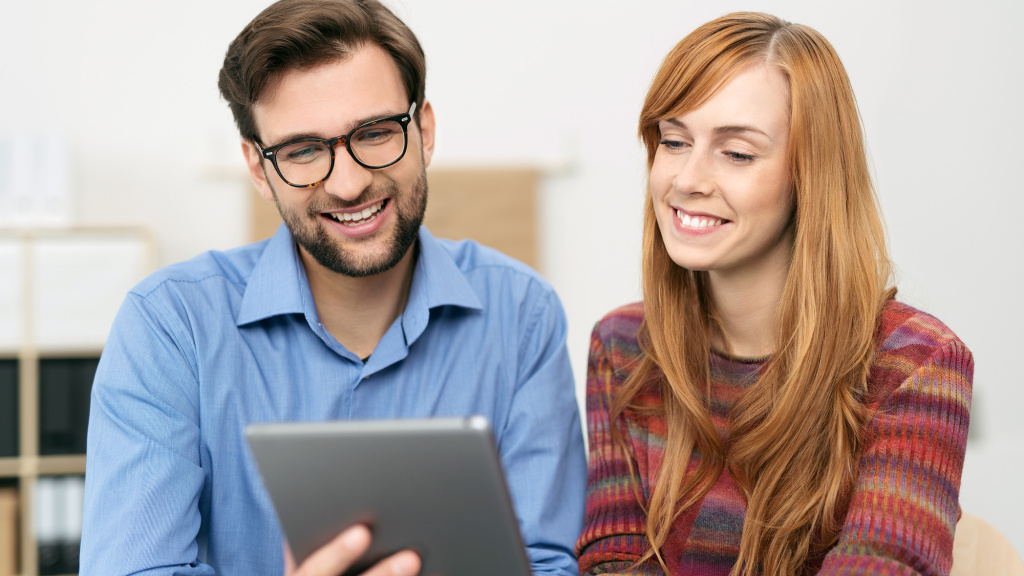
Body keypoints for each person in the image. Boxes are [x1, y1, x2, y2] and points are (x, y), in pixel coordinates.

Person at [80, 1, 586, 574]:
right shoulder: (171, 325)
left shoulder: (522, 313)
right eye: (301, 151)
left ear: (424, 130)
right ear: (258, 169)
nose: (348, 184)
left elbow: (546, 563)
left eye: (374, 133)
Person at [576, 12, 972, 576]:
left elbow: (881, 565)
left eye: (737, 153)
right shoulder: (621, 348)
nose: (687, 179)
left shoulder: (918, 362)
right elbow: (611, 562)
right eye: (673, 141)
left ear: (809, 174)